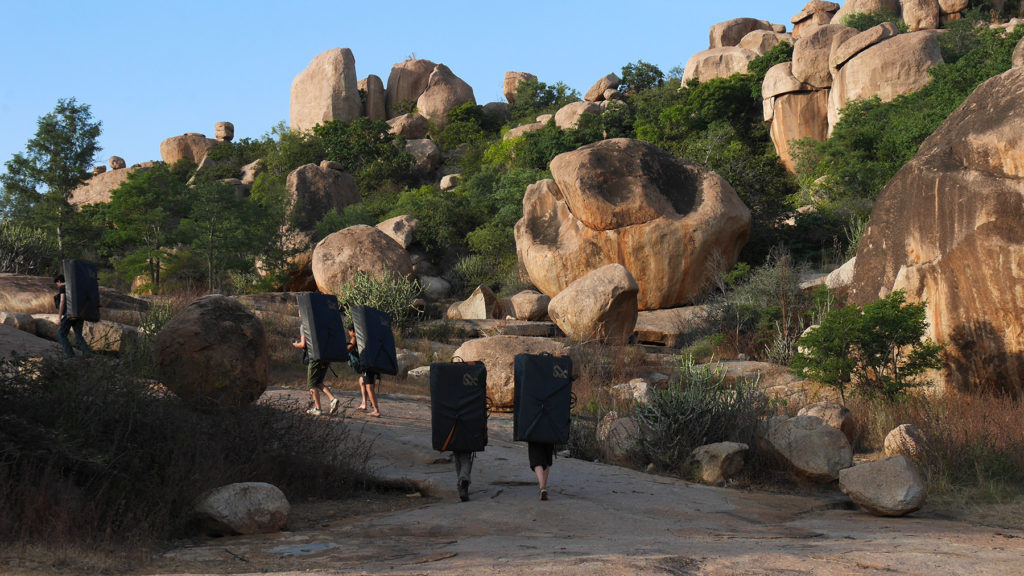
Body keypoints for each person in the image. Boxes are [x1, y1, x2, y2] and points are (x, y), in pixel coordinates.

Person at [293, 331, 340, 416]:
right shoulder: (321, 323)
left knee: (312, 384)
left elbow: (303, 344)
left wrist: (296, 345)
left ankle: (318, 409)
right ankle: (333, 399)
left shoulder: (304, 324)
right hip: (325, 357)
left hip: (315, 358)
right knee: (318, 382)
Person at [53, 274, 92, 359]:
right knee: (78, 335)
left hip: (70, 314)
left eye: (57, 284)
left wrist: (59, 317)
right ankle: (88, 354)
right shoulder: (76, 287)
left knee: (61, 334)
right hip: (80, 314)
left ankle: (70, 354)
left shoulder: (63, 288)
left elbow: (62, 301)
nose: (57, 286)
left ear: (59, 281)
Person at [348, 326, 381, 417]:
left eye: (349, 332)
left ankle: (376, 410)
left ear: (353, 331)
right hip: (373, 364)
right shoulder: (368, 337)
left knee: (369, 387)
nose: (349, 334)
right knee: (361, 381)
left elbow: (349, 348)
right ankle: (364, 404)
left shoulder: (355, 338)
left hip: (368, 366)